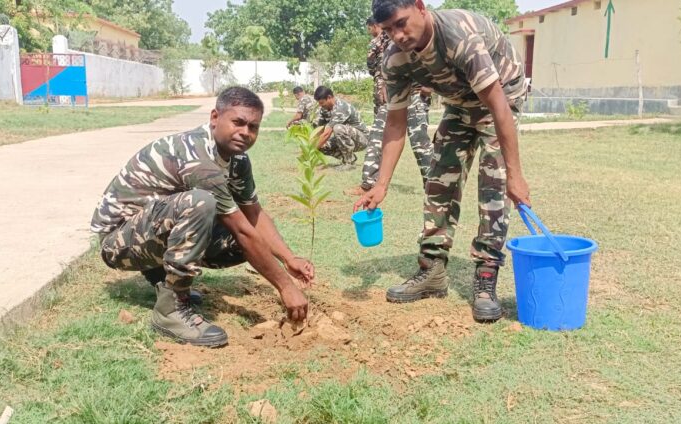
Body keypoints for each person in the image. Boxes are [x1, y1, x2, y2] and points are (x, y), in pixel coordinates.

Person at [91, 87, 314, 347]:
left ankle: (163, 280)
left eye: (253, 126)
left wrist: (289, 258)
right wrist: (286, 287)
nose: (245, 132)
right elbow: (243, 229)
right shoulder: (197, 157)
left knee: (244, 239)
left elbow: (254, 214)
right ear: (214, 117)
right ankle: (171, 310)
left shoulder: (238, 159)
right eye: (238, 122)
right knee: (202, 204)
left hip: (150, 231)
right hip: (118, 243)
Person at [356, 0, 532, 322]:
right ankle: (432, 270)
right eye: (388, 29)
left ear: (421, 7)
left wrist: (515, 175)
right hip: (460, 102)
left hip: (502, 95)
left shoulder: (458, 37)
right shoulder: (394, 60)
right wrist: (380, 185)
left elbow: (498, 107)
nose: (397, 35)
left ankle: (486, 276)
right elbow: (396, 122)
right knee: (440, 180)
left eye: (401, 23)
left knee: (494, 184)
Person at [350, 16, 432, 196]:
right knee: (377, 138)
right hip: (390, 99)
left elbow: (372, 66)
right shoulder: (384, 41)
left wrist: (427, 87)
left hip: (413, 95)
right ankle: (368, 184)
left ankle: (433, 188)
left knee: (420, 143)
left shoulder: (415, 36)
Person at [313, 85, 369, 166]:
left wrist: (311, 149)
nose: (321, 105)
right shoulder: (324, 109)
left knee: (337, 128)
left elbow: (327, 133)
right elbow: (319, 130)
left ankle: (348, 162)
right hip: (345, 138)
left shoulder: (342, 108)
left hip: (361, 139)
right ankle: (349, 157)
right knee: (322, 146)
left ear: (329, 97)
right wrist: (312, 144)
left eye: (322, 103)